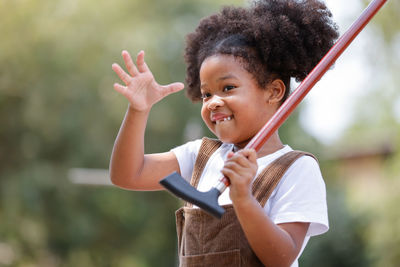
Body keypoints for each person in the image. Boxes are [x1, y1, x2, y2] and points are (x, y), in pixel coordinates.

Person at [110, 0, 339, 266]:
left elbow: (282, 257)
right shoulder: (201, 156)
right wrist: (138, 111)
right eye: (206, 94)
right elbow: (127, 174)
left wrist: (244, 199)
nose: (213, 102)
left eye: (228, 88)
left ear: (274, 92)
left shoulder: (296, 169)